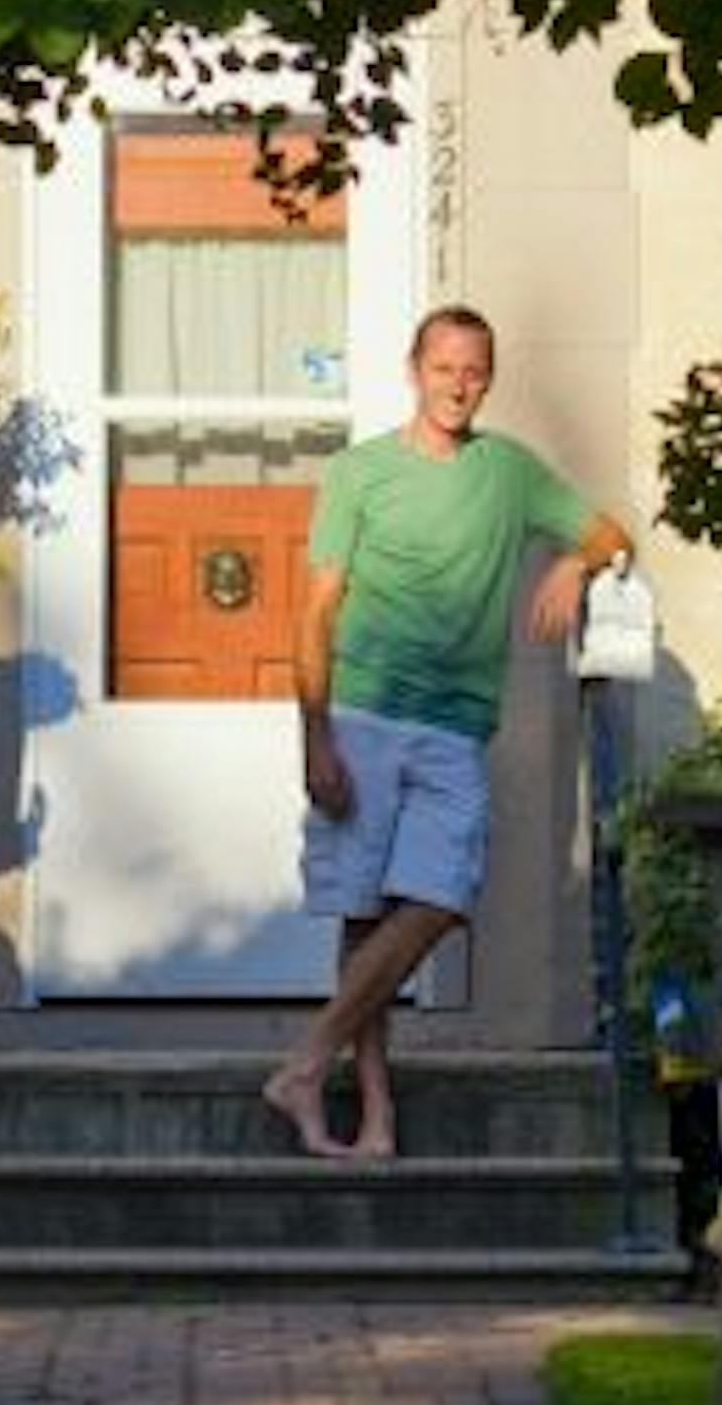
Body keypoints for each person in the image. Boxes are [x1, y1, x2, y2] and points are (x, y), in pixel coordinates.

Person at [262, 304, 631, 1161]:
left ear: (488, 378)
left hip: (456, 727)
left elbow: (612, 532)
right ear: (414, 369)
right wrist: (314, 737)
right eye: (445, 368)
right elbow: (314, 613)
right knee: (365, 920)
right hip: (363, 715)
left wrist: (576, 562)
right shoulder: (359, 473)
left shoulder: (509, 473)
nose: (460, 385)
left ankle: (306, 1064)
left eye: (475, 371)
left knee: (437, 900)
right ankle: (372, 1119)